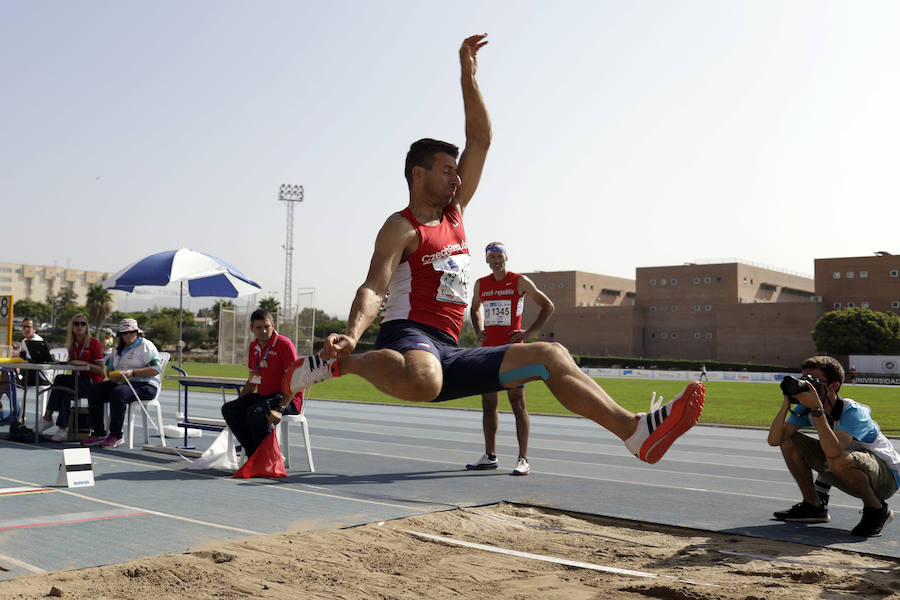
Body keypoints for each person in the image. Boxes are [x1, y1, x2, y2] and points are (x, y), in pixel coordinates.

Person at [284, 34, 704, 465]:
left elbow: (480, 139)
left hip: (450, 347)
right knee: (425, 379)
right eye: (447, 171)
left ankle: (634, 431)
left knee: (550, 355)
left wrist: (468, 77)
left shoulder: (456, 214)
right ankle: (338, 364)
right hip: (409, 337)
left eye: (456, 171)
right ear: (418, 174)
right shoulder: (401, 227)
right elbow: (374, 288)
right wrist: (352, 336)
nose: (456, 179)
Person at [767, 356, 900, 537]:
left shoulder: (853, 412)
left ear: (833, 386)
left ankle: (877, 510)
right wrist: (786, 402)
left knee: (838, 458)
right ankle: (813, 505)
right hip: (849, 466)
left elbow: (834, 451)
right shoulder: (806, 408)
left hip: (885, 479)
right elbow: (775, 440)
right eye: (804, 380)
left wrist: (817, 411)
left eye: (813, 382)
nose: (807, 386)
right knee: (789, 441)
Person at [466, 241, 554, 475]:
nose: (496, 260)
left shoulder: (519, 281)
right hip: (488, 352)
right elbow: (474, 308)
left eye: (500, 255)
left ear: (506, 258)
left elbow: (548, 306)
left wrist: (528, 333)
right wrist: (478, 330)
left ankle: (523, 458)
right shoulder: (481, 284)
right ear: (487, 260)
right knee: (488, 404)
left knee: (518, 404)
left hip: (514, 352)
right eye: (492, 256)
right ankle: (490, 455)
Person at [221, 310, 302, 459]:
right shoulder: (254, 347)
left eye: (267, 326)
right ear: (252, 329)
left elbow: (296, 382)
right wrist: (240, 402)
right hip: (265, 396)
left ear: (273, 325)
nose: (264, 331)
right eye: (259, 327)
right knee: (230, 409)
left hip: (288, 398)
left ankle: (270, 456)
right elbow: (252, 380)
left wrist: (280, 408)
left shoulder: (285, 345)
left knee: (255, 412)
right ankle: (256, 454)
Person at [81, 318, 162, 448]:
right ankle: (99, 433)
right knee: (94, 390)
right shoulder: (118, 349)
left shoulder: (145, 345)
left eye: (132, 332)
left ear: (137, 332)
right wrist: (113, 376)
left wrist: (133, 373)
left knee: (118, 393)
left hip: (146, 386)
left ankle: (116, 435)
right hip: (122, 383)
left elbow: (155, 370)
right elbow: (111, 370)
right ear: (120, 335)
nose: (128, 335)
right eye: (124, 333)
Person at [36, 313, 105, 441]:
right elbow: (73, 369)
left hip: (92, 383)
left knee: (60, 380)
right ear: (72, 327)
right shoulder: (72, 345)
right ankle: (62, 429)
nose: (80, 326)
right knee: (64, 390)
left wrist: (86, 364)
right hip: (77, 382)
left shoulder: (94, 343)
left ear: (86, 327)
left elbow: (101, 369)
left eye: (83, 323)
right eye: (76, 323)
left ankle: (47, 418)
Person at [17, 318, 49, 387]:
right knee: (8, 373)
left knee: (8, 375)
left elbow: (30, 359)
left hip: (40, 375)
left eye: (28, 327)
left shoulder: (37, 340)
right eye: (23, 327)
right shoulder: (24, 341)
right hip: (29, 372)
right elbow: (21, 357)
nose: (25, 329)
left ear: (34, 329)